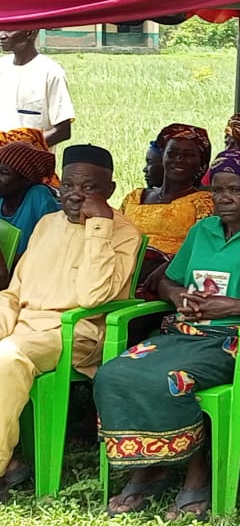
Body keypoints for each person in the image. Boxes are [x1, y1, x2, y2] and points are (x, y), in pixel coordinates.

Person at [97, 150, 240, 519]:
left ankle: (197, 477)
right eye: (218, 191)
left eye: (236, 190)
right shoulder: (202, 231)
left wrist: (233, 307)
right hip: (184, 332)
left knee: (173, 380)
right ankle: (148, 468)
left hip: (234, 340)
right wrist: (177, 295)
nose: (224, 198)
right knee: (114, 372)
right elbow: (167, 280)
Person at [0, 144, 141, 498]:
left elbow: (94, 298)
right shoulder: (47, 223)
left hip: (75, 332)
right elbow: (14, 291)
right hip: (25, 325)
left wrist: (99, 227)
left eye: (89, 187)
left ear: (109, 190)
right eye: (68, 185)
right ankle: (11, 462)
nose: (76, 195)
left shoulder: (124, 233)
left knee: (6, 358)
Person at [120, 124, 214, 259]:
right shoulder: (135, 197)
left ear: (201, 163)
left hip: (172, 270)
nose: (179, 159)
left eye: (188, 155)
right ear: (163, 156)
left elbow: (202, 248)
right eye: (172, 153)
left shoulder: (204, 202)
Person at [0, 29, 73, 146]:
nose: (2, 35)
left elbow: (62, 131)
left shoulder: (51, 72)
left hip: (30, 157)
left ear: (31, 32)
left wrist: (21, 150)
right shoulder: (2, 67)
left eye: (10, 29)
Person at [0, 142, 59, 261]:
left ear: (26, 180)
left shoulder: (38, 197)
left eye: (4, 172)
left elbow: (54, 246)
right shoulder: (2, 195)